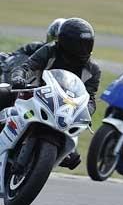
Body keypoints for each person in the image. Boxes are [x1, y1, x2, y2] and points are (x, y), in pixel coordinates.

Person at [10, 18, 101, 170]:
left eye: (87, 44)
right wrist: (18, 77)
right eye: (80, 44)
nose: (84, 48)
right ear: (67, 43)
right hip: (34, 97)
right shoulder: (50, 50)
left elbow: (90, 98)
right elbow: (27, 67)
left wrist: (87, 113)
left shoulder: (93, 70)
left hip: (64, 112)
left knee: (73, 158)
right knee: (3, 92)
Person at [0, 18, 65, 82]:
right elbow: (14, 56)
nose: (56, 42)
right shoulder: (35, 47)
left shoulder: (71, 57)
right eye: (54, 38)